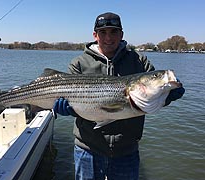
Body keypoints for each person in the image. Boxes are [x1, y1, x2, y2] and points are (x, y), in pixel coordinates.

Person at [53, 12, 185, 180]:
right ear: (95, 35)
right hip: (88, 149)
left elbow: (149, 97)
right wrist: (69, 109)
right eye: (103, 32)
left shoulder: (139, 61)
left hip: (126, 151)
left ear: (121, 34)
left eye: (114, 32)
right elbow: (70, 102)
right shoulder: (79, 63)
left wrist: (167, 95)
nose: (108, 37)